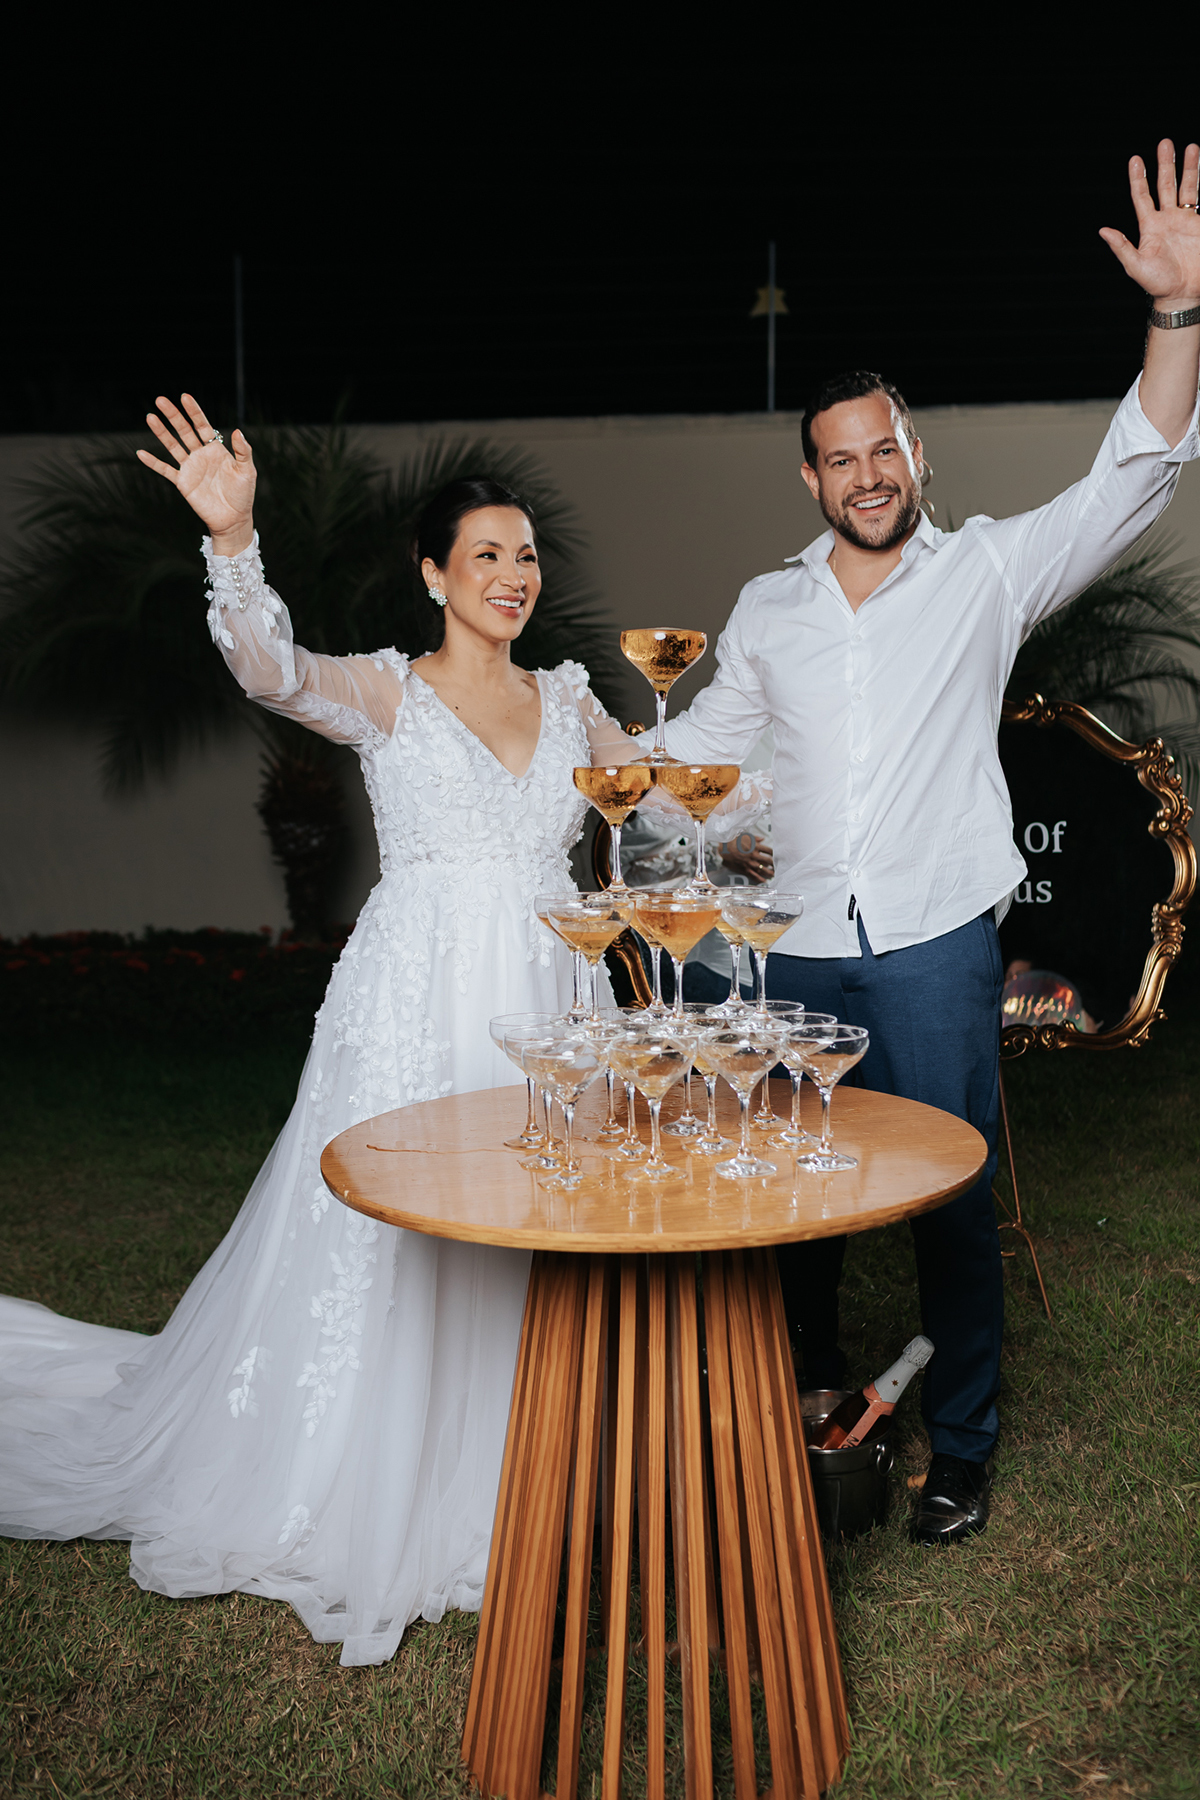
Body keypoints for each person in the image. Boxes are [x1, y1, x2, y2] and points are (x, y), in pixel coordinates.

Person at [0, 395, 632, 1665]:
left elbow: (659, 796)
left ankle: (536, 1462)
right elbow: (267, 670)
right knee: (404, 1233)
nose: (513, 575)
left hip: (559, 999)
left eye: (525, 554)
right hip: (416, 1006)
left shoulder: (571, 703)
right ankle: (367, 1469)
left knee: (552, 1224)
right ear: (433, 574)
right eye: (486, 555)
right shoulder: (386, 694)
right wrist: (234, 540)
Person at [640, 140, 1200, 1545]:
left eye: (885, 449)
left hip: (937, 942)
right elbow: (699, 762)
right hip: (794, 955)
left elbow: (1131, 478)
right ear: (814, 479)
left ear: (917, 456)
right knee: (799, 1196)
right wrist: (596, 775)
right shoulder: (770, 610)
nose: (867, 474)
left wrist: (1178, 315)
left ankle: (962, 1447)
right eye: (840, 458)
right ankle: (817, 1391)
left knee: (947, 1198)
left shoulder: (988, 573)